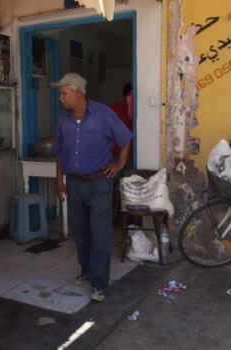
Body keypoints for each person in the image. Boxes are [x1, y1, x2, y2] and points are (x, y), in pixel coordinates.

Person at [50, 73, 132, 302]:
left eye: (64, 93)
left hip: (99, 184)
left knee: (100, 233)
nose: (61, 98)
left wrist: (119, 164)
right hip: (75, 183)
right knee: (81, 233)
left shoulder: (103, 114)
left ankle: (99, 283)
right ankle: (86, 271)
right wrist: (59, 181)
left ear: (77, 92)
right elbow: (59, 153)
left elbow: (125, 139)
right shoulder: (63, 120)